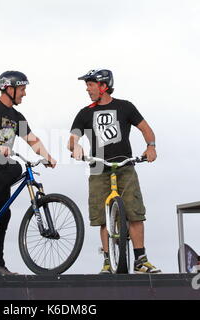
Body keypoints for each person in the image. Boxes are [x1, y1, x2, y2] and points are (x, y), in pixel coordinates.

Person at [68, 69, 161, 274]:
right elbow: (72, 140)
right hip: (99, 167)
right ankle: (108, 261)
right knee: (103, 217)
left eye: (90, 85)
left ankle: (140, 260)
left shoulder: (125, 107)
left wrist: (151, 146)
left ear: (103, 86)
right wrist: (76, 147)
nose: (87, 89)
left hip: (125, 165)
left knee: (135, 213)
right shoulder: (85, 113)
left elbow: (146, 129)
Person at [0, 71, 56, 276]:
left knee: (4, 212)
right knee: (14, 167)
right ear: (9, 88)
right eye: (22, 89)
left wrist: (47, 156)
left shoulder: (17, 117)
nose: (24, 94)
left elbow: (32, 140)